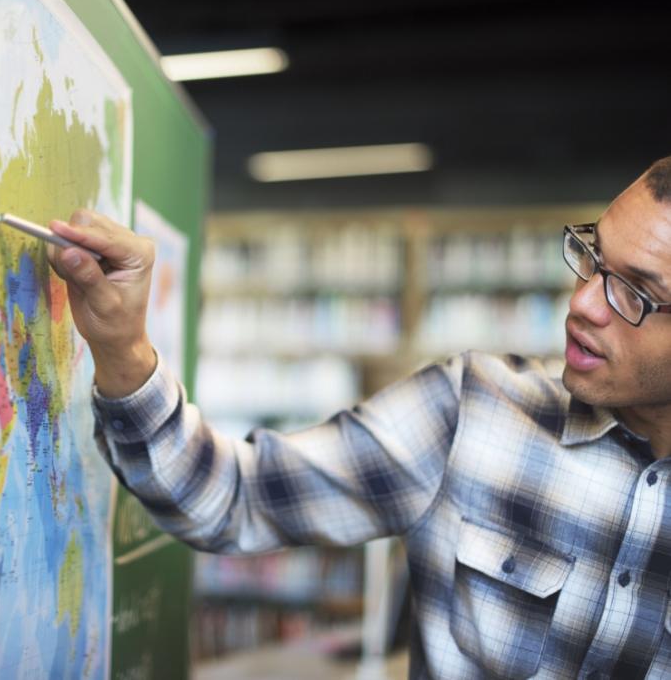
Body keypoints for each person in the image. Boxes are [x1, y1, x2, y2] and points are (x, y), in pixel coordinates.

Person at [47, 156, 671, 679]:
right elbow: (233, 497)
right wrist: (123, 348)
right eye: (593, 256)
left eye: (635, 292)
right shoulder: (475, 409)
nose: (585, 302)